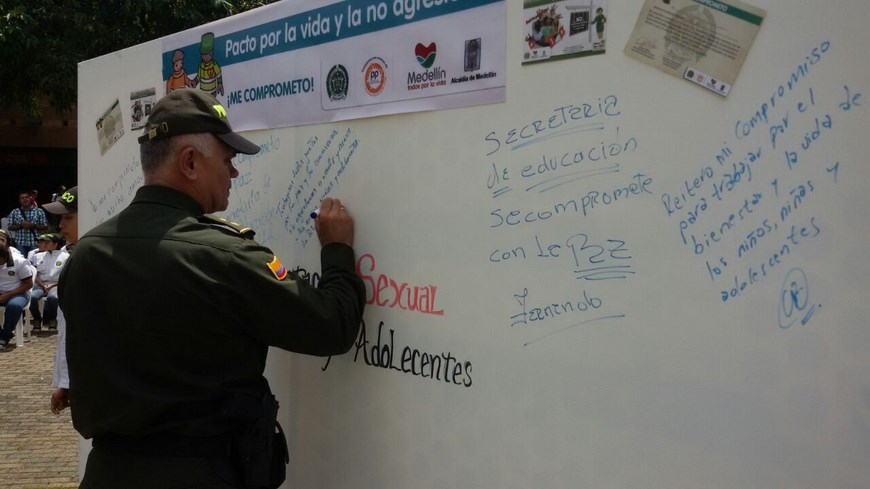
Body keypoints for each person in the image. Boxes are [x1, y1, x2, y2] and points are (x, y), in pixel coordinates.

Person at [58, 89, 365, 489]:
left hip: (107, 473)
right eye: (227, 160)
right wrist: (338, 250)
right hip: (201, 474)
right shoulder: (226, 257)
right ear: (189, 163)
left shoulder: (85, 255)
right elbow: (332, 325)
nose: (233, 173)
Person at [43, 187, 78, 414]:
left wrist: (66, 383)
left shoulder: (84, 261)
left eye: (68, 218)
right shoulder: (74, 257)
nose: (61, 226)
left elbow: (73, 330)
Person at [29, 233, 67, 331]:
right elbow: (34, 274)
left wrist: (52, 285)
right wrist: (43, 285)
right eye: (43, 242)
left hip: (56, 284)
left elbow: (66, 276)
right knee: (32, 297)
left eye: (48, 242)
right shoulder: (37, 256)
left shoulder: (66, 257)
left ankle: (52, 319)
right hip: (40, 284)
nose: (44, 244)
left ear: (55, 244)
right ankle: (37, 318)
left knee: (52, 297)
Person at [0, 240, 34, 349]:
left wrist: (8, 294)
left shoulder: (19, 261)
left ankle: (5, 337)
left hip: (18, 292)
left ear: (5, 256)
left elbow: (28, 284)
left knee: (14, 306)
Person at [7, 190, 49, 255]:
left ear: (30, 198)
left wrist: (32, 226)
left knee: (35, 261)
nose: (25, 199)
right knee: (20, 260)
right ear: (19, 200)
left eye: (26, 197)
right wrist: (21, 226)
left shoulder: (39, 211)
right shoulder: (15, 212)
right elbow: (9, 227)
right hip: (20, 243)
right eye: (22, 198)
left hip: (34, 243)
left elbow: (45, 227)